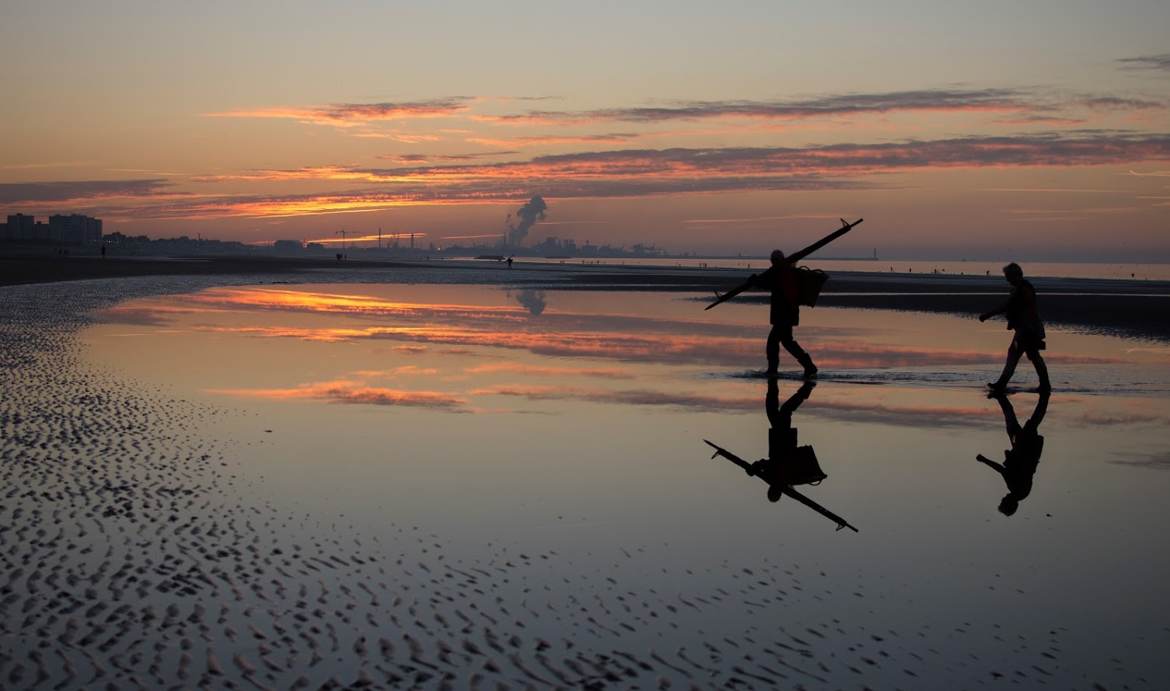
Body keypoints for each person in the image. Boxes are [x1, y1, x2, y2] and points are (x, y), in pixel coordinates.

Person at [977, 390, 1049, 516]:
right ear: (1009, 503)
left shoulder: (1023, 494)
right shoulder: (1015, 488)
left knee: (1030, 422)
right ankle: (1043, 396)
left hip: (1026, 449)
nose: (1003, 498)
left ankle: (1003, 397)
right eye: (1003, 501)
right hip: (1024, 447)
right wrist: (984, 460)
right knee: (1019, 422)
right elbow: (1001, 469)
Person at [980, 263, 1050, 392]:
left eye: (1008, 276)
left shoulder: (1023, 290)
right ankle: (1045, 385)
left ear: (1015, 275)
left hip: (1026, 329)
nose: (1007, 279)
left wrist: (988, 315)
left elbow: (1010, 307)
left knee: (1015, 354)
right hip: (1027, 328)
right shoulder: (1022, 288)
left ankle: (1002, 384)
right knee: (1033, 355)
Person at [751, 250, 817, 378]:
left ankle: (773, 370)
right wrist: (756, 280)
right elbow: (768, 283)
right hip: (786, 314)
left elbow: (768, 283)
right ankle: (808, 366)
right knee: (787, 342)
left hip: (784, 315)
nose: (773, 262)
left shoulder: (782, 272)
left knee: (773, 342)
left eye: (775, 260)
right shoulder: (782, 271)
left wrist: (755, 281)